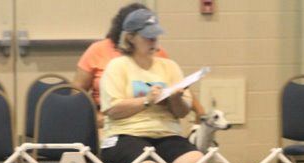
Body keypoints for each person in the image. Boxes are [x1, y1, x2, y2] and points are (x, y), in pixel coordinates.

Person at [99, 9, 206, 163]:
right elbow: (113, 110)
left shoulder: (169, 66)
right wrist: (147, 101)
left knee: (196, 161)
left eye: (155, 36)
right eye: (148, 37)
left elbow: (182, 112)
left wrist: (176, 99)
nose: (153, 41)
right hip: (125, 135)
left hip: (166, 134)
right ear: (130, 38)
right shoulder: (117, 67)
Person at [73, 3, 205, 127]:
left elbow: (177, 86)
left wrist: (200, 111)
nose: (152, 41)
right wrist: (93, 118)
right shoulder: (98, 50)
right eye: (146, 35)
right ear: (128, 36)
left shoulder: (157, 54)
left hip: (154, 120)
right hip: (109, 118)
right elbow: (76, 93)